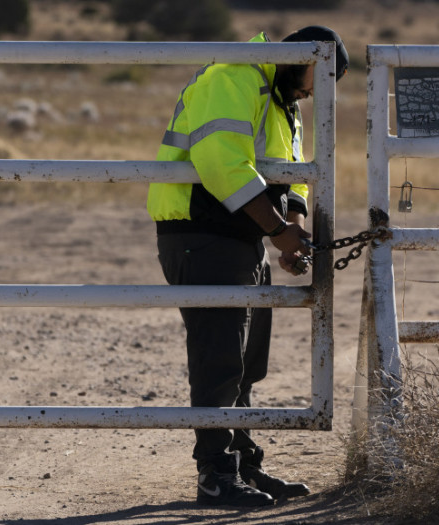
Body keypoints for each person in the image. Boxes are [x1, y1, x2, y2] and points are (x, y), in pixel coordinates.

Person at [147, 26, 349, 507]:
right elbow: (222, 163)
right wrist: (280, 231)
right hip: (203, 233)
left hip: (240, 236)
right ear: (299, 59)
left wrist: (289, 228)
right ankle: (215, 476)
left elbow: (293, 169)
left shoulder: (280, 97)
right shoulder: (234, 76)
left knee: (244, 363)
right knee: (219, 358)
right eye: (313, 81)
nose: (310, 93)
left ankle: (242, 464)